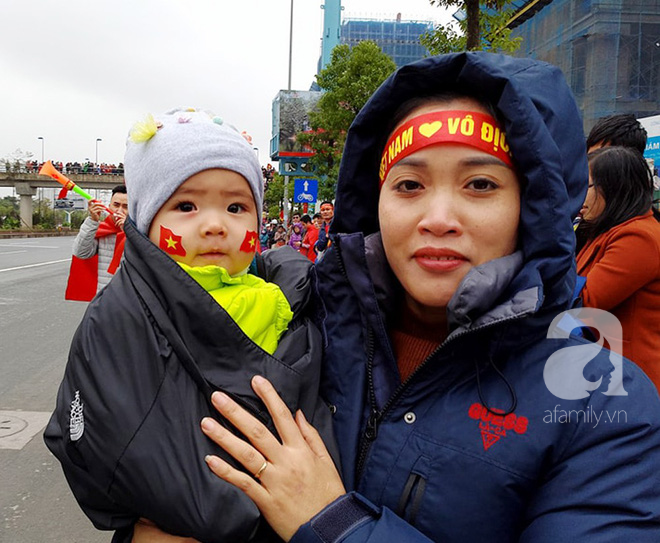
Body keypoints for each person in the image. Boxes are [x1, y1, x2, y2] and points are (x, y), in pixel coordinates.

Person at [190, 53, 660, 543]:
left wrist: (335, 525)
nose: (437, 218)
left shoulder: (599, 408)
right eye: (409, 184)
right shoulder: (297, 325)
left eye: (480, 184)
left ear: (533, 205)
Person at [44, 108, 334, 543]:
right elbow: (94, 442)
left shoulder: (290, 301)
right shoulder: (119, 315)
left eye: (236, 206)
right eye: (185, 206)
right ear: (146, 221)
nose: (215, 225)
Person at [576, 146, 660, 391]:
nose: (580, 197)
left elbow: (586, 300)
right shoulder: (604, 230)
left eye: (587, 187)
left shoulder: (638, 237)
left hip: (632, 378)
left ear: (613, 188)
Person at [65, 184, 128, 301]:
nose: (119, 210)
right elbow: (81, 253)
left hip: (132, 300)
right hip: (104, 297)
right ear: (109, 206)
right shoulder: (102, 229)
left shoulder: (144, 231)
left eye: (126, 206)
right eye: (116, 205)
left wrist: (129, 231)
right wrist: (92, 220)